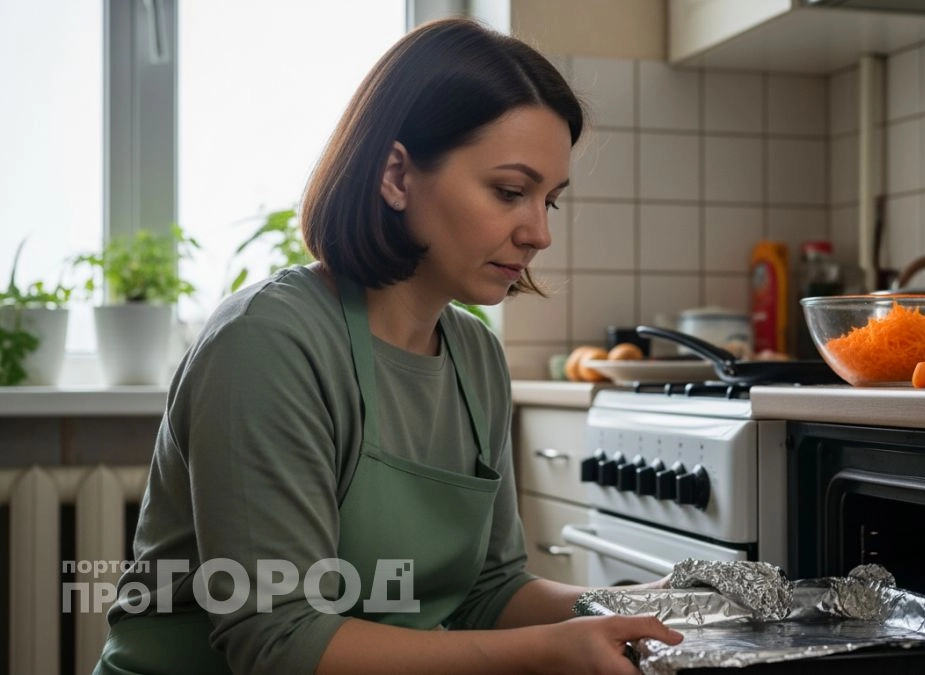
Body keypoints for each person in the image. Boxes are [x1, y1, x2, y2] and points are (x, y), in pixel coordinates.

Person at [94, 17, 682, 675]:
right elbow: (279, 642)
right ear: (397, 175)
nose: (539, 233)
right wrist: (551, 649)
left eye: (550, 201)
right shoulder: (267, 344)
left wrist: (652, 604)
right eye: (510, 192)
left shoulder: (476, 357)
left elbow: (488, 592)